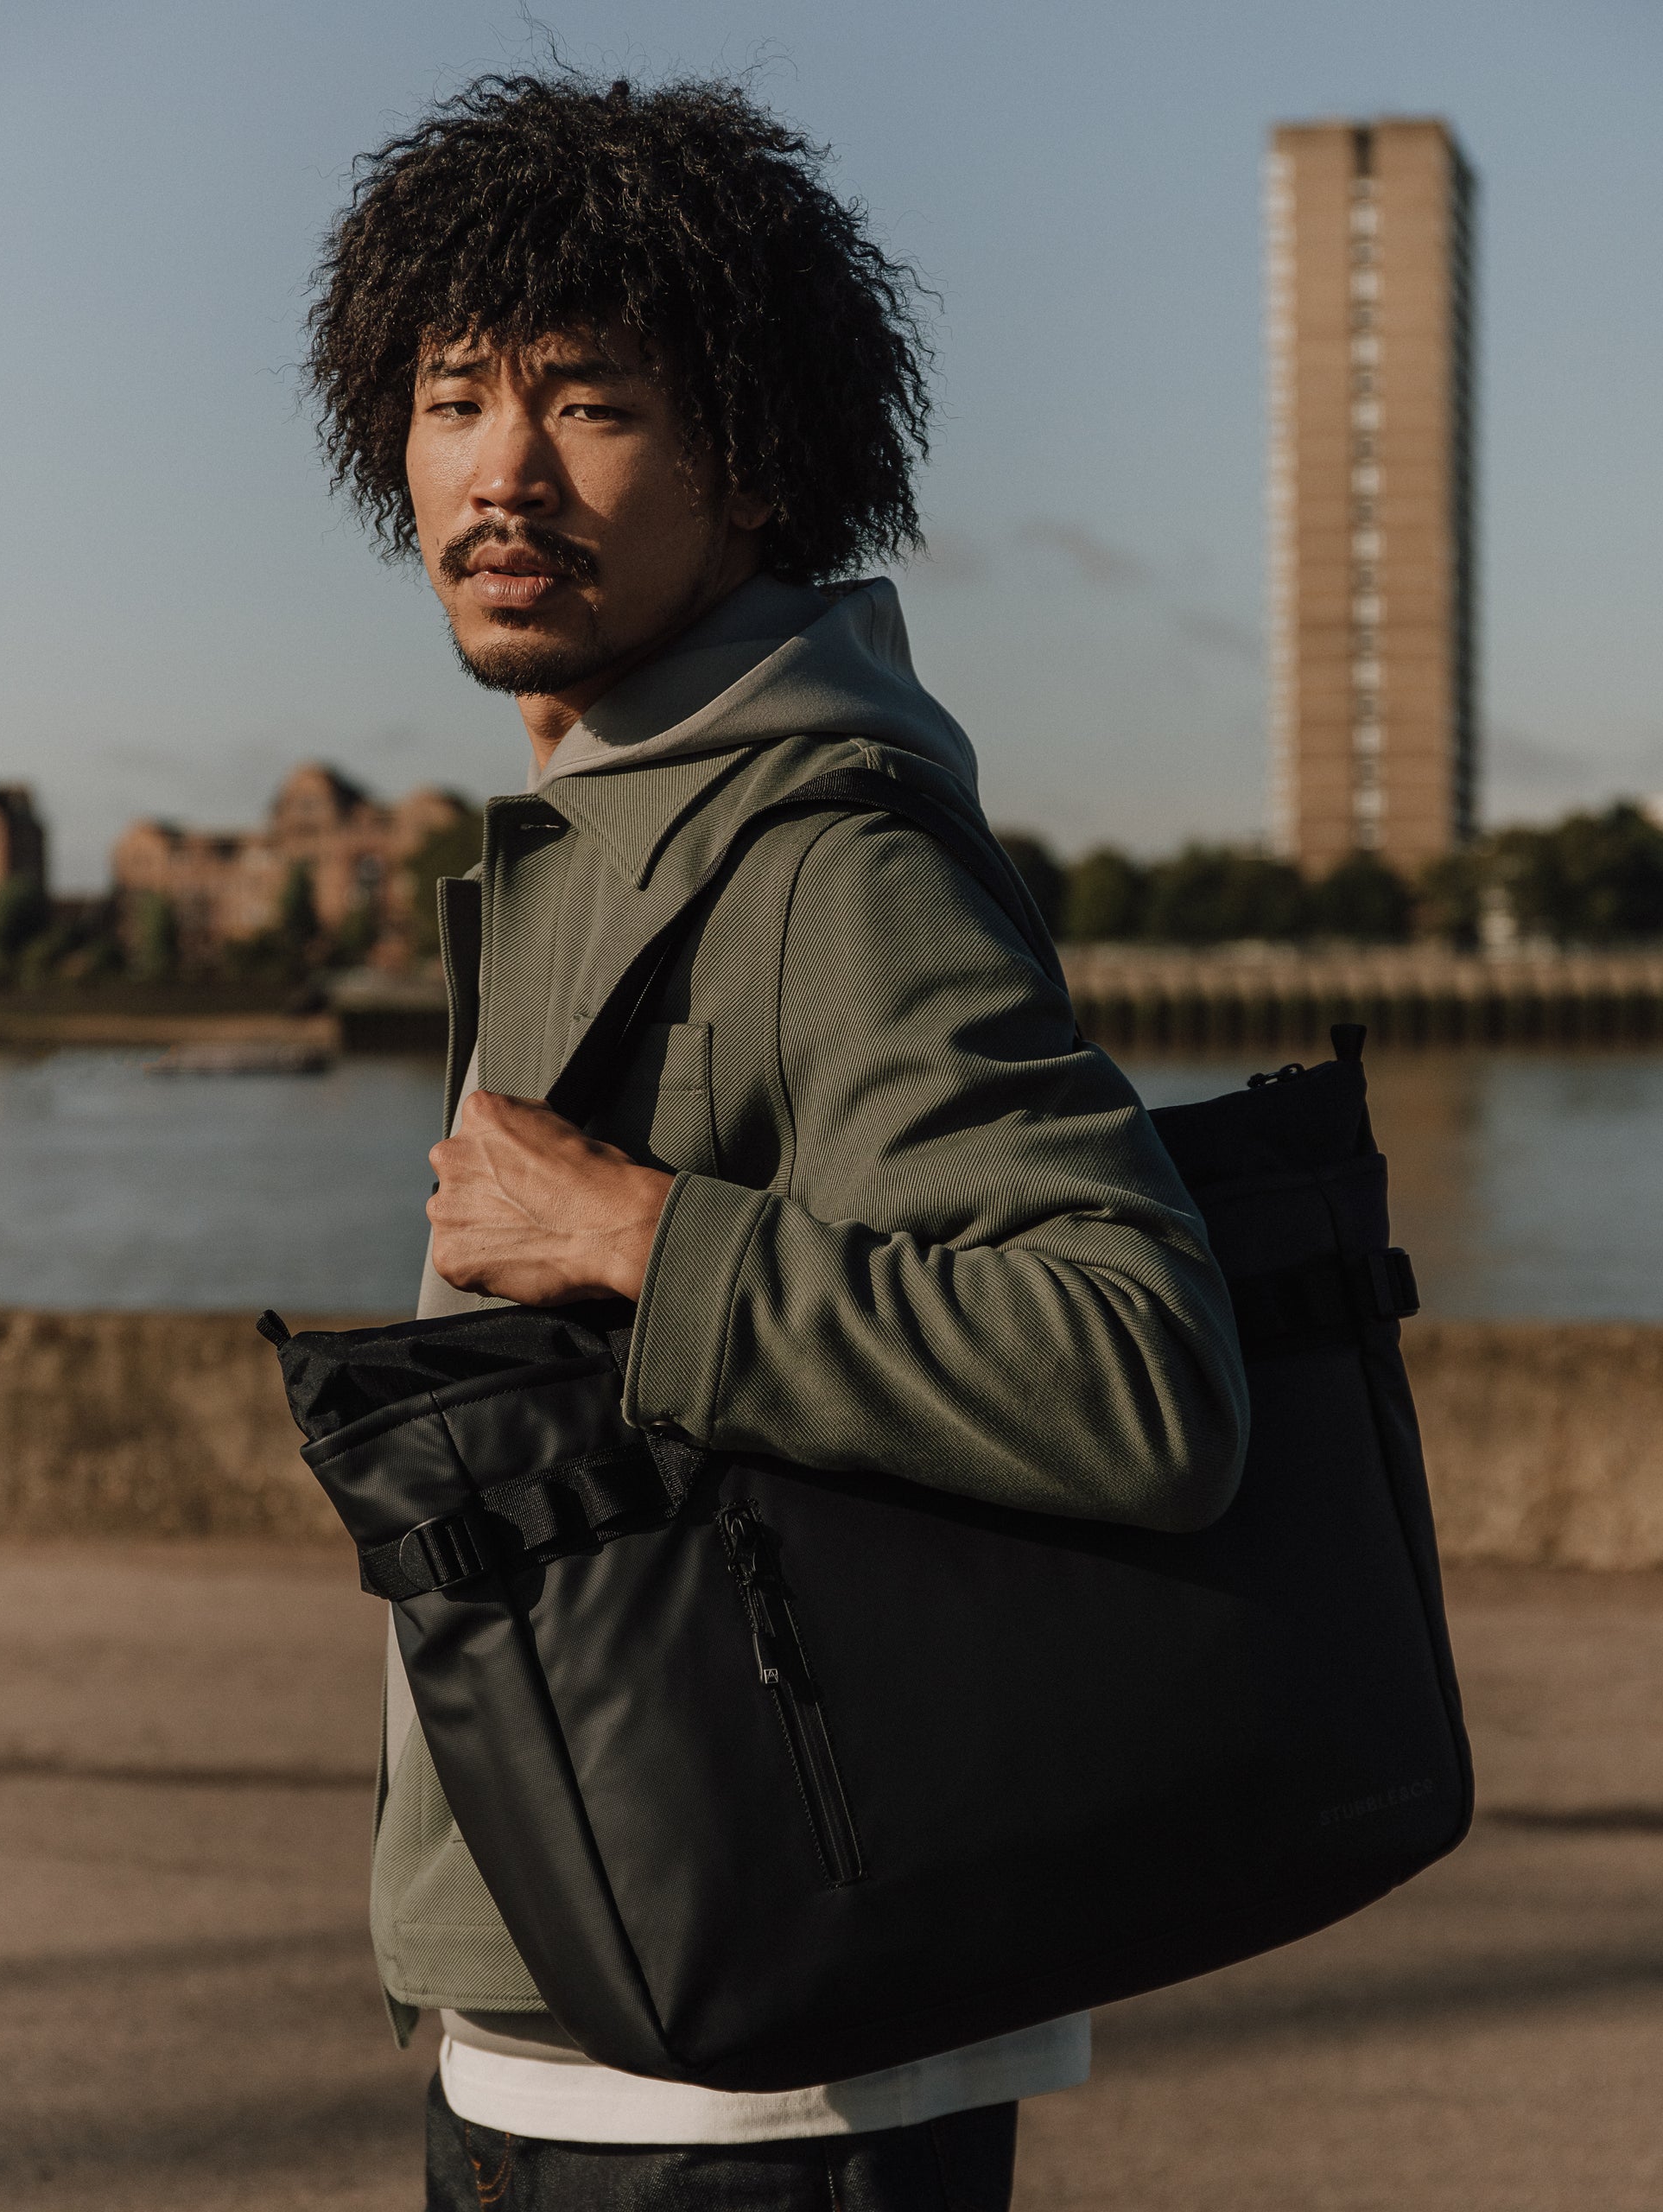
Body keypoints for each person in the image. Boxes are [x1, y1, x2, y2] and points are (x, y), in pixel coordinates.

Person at [306, 69, 1249, 2212]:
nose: (503, 472)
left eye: (591, 405)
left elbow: (1141, 1368)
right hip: (573, 2029)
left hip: (752, 2100)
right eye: (453, 402)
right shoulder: (604, 825)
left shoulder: (828, 856)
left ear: (749, 462)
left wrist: (648, 1238)